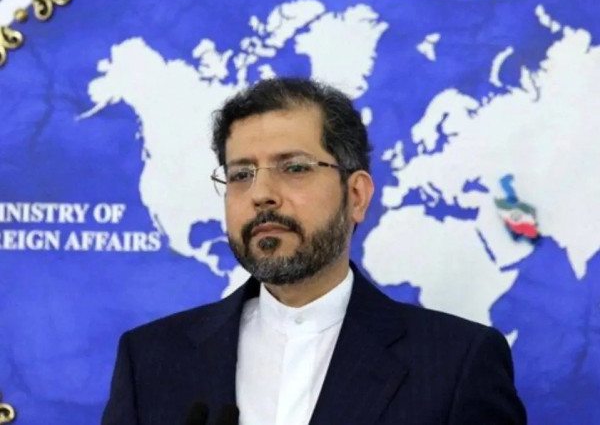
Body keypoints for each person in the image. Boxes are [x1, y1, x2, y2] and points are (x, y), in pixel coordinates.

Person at [102, 78, 527, 425]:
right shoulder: (151, 360)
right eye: (241, 174)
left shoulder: (456, 364)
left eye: (294, 168)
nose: (261, 194)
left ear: (356, 195)